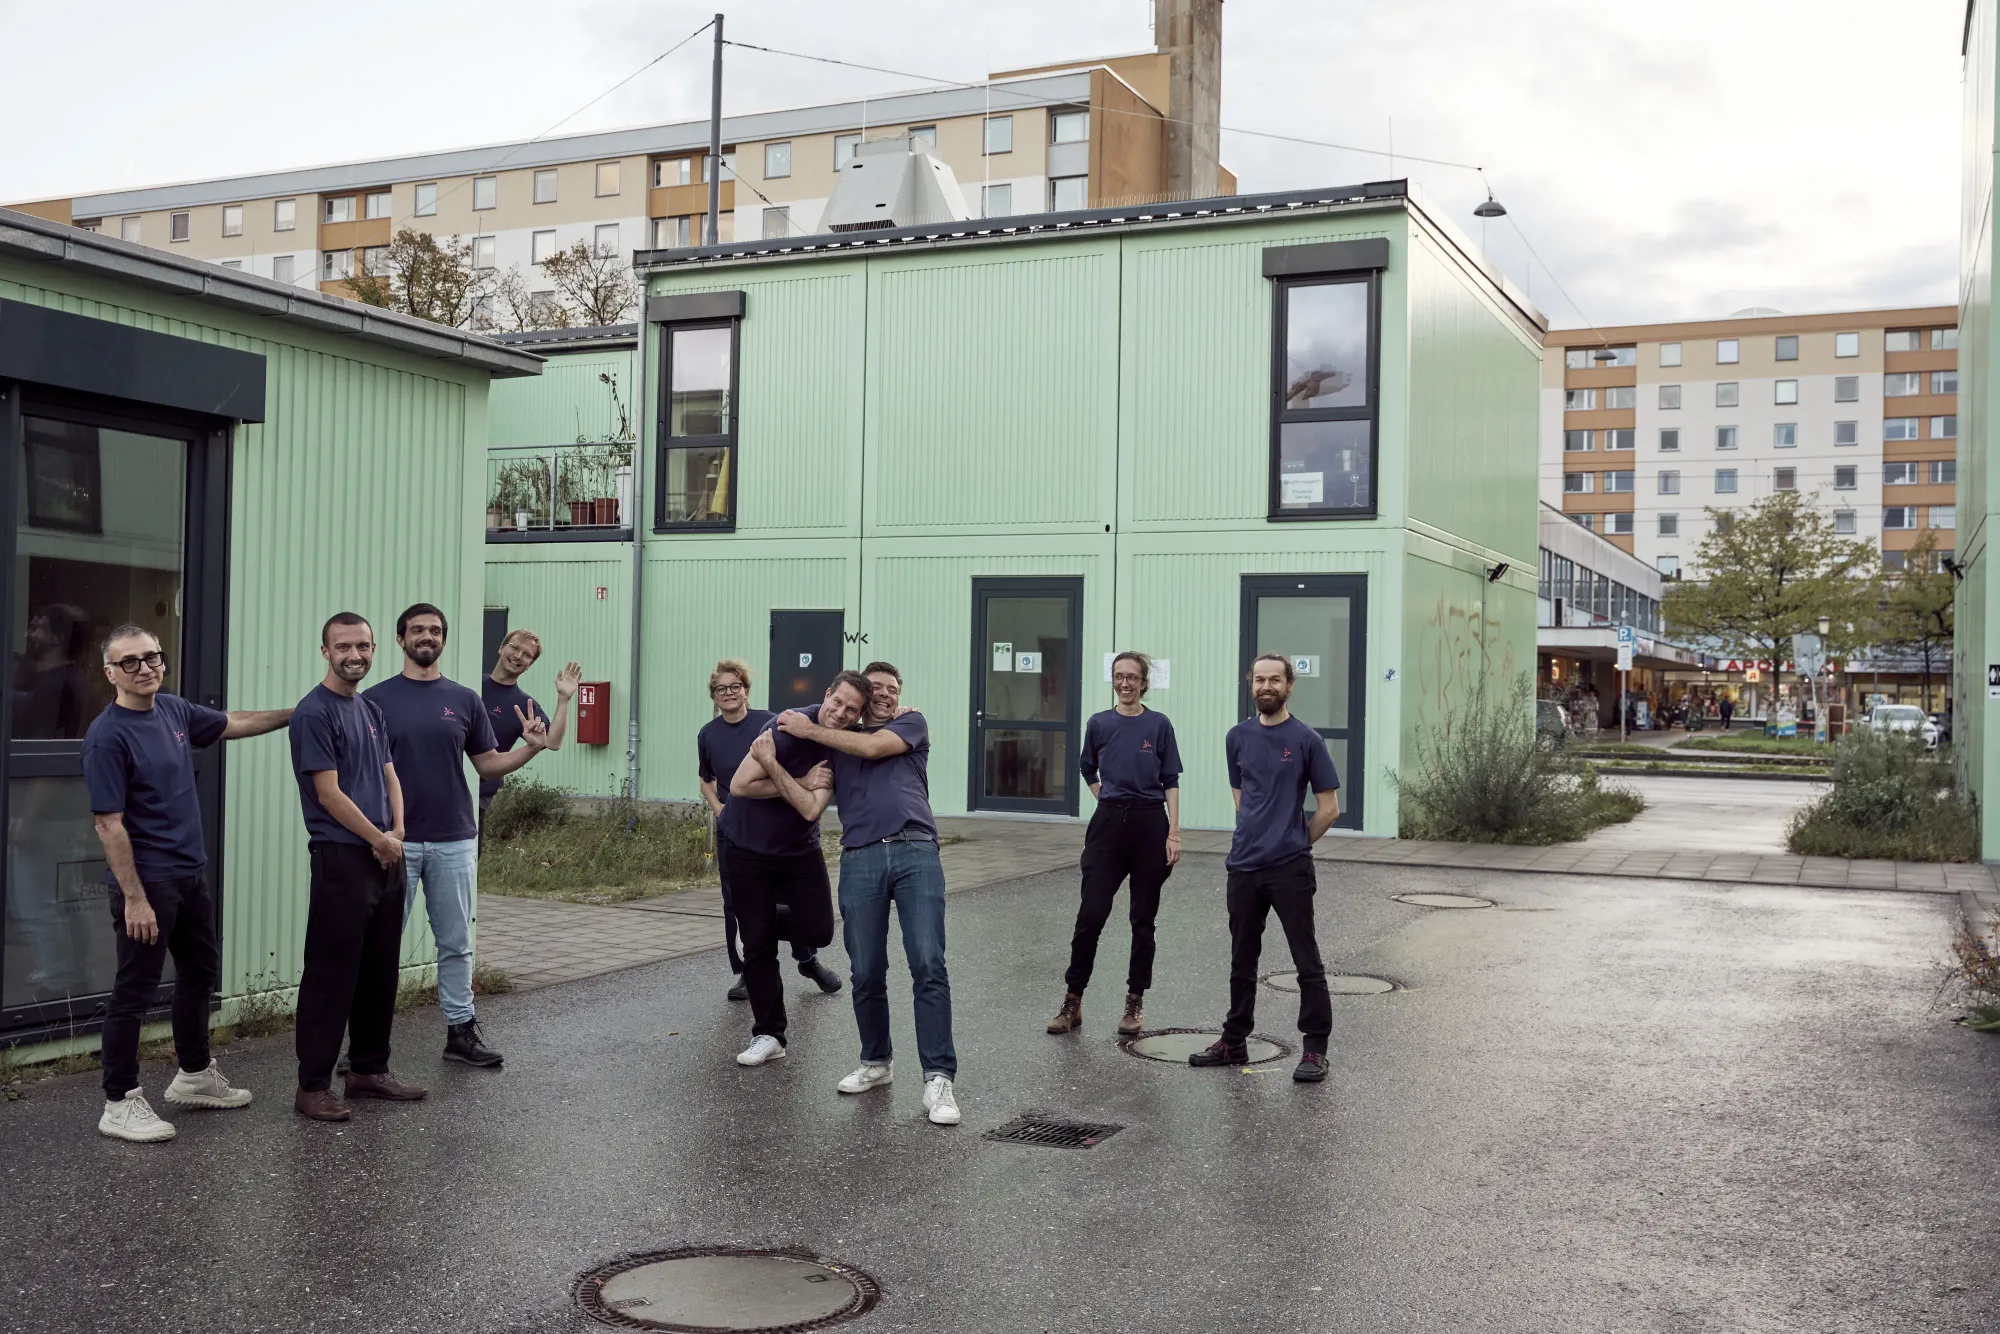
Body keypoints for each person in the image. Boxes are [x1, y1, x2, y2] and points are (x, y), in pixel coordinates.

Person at [82, 625, 292, 1142]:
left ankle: (194, 1075)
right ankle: (119, 1102)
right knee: (134, 991)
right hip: (148, 884)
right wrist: (135, 899)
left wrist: (297, 712)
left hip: (189, 874)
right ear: (110, 673)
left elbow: (233, 722)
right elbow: (108, 824)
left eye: (152, 657)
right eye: (129, 662)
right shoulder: (107, 736)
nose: (145, 668)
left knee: (199, 973)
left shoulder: (173, 710)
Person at [363, 604, 550, 1071]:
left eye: (435, 630)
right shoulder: (374, 700)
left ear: (443, 640)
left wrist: (530, 749)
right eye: (417, 630)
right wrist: (374, 833)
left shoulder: (465, 699)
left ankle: (461, 1033)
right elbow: (361, 772)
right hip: (396, 842)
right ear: (401, 639)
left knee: (456, 943)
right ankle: (365, 1044)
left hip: (454, 839)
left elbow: (487, 764)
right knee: (380, 945)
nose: (427, 636)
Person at [777, 662, 961, 1127]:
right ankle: (876, 1062)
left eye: (892, 688)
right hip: (859, 857)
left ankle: (938, 1079)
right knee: (866, 969)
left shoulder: (911, 725)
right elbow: (810, 796)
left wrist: (811, 729)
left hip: (915, 850)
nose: (884, 694)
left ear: (900, 696)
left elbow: (875, 746)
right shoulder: (838, 739)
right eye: (875, 687)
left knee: (928, 963)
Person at [290, 612, 426, 1122]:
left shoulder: (370, 709)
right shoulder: (314, 713)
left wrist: (398, 831)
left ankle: (369, 1069)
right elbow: (328, 794)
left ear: (373, 649)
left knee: (378, 970)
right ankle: (312, 1086)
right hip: (342, 857)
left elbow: (391, 774)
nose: (355, 655)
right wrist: (378, 838)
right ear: (325, 651)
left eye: (363, 646)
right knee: (331, 976)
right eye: (344, 647)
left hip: (385, 852)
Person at [1189, 654, 1342, 1084]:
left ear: (1290, 685)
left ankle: (1315, 1049)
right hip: (1243, 867)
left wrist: (1293, 843)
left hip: (1289, 868)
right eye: (1259, 680)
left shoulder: (1307, 740)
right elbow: (1242, 796)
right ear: (1251, 684)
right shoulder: (1237, 737)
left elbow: (1329, 809)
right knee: (1242, 959)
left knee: (1306, 960)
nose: (1266, 686)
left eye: (1275, 679)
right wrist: (1256, 836)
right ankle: (1233, 1040)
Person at [719, 673, 867, 1069]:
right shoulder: (784, 726)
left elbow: (811, 809)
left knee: (819, 931)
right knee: (759, 946)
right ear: (827, 694)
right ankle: (769, 1035)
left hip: (799, 849)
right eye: (838, 702)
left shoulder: (843, 744)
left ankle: (755, 920)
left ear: (858, 717)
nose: (841, 713)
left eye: (852, 710)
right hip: (746, 844)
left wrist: (774, 769)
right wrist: (796, 777)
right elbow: (740, 785)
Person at [1047, 651, 1182, 1038]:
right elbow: (1086, 766)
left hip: (1150, 825)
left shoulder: (1159, 725)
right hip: (1107, 826)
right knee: (1090, 915)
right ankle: (1073, 1001)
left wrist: (1173, 833)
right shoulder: (1099, 723)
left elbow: (1171, 780)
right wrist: (1103, 797)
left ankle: (1134, 1002)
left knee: (1143, 919)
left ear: (1144, 683)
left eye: (1132, 677)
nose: (1125, 683)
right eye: (1119, 676)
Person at [696, 658, 843, 1002]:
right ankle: (748, 971)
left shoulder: (772, 723)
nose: (728, 693)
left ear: (746, 690)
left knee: (786, 903)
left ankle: (807, 960)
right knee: (735, 904)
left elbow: (794, 775)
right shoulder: (708, 734)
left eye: (735, 686)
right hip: (735, 832)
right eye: (721, 689)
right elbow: (707, 780)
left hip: (778, 831)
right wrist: (721, 810)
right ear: (713, 696)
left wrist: (802, 781)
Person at [478, 629, 579, 829]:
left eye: (526, 655)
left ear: (529, 665)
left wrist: (564, 699)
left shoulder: (525, 705)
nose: (518, 656)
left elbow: (552, 742)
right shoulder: (471, 684)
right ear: (501, 648)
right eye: (514, 647)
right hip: (440, 784)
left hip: (478, 796)